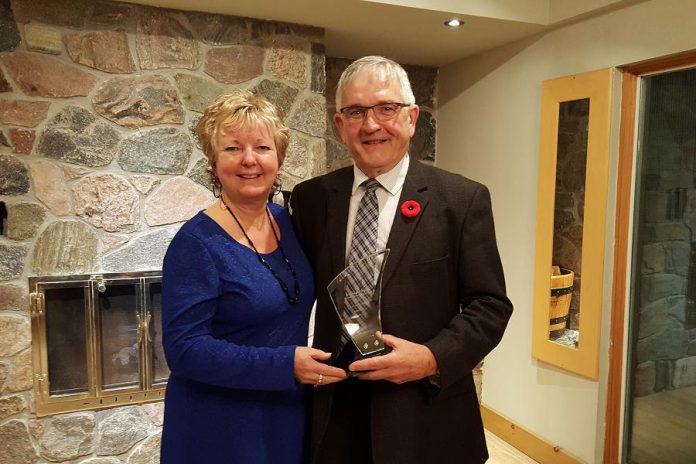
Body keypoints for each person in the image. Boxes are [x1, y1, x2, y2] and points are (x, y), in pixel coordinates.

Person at [290, 56, 513, 464]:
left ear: (411, 118)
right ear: (340, 126)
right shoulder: (311, 199)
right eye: (356, 111)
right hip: (334, 406)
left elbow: (491, 307)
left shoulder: (462, 201)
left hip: (424, 412)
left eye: (386, 109)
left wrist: (431, 358)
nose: (371, 125)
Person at [160, 90, 347, 464]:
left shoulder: (286, 222)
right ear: (213, 161)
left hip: (283, 411)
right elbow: (184, 350)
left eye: (262, 147)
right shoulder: (196, 244)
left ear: (278, 157)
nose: (249, 160)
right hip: (220, 425)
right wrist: (284, 364)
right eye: (232, 148)